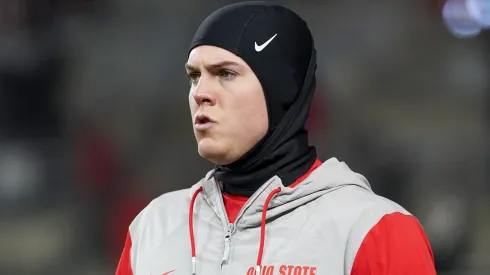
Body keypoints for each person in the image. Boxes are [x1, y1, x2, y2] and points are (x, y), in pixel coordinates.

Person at [116, 2, 437, 275]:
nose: (200, 93)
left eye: (226, 73)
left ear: (281, 89)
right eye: (195, 76)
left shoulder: (374, 230)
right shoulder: (152, 226)